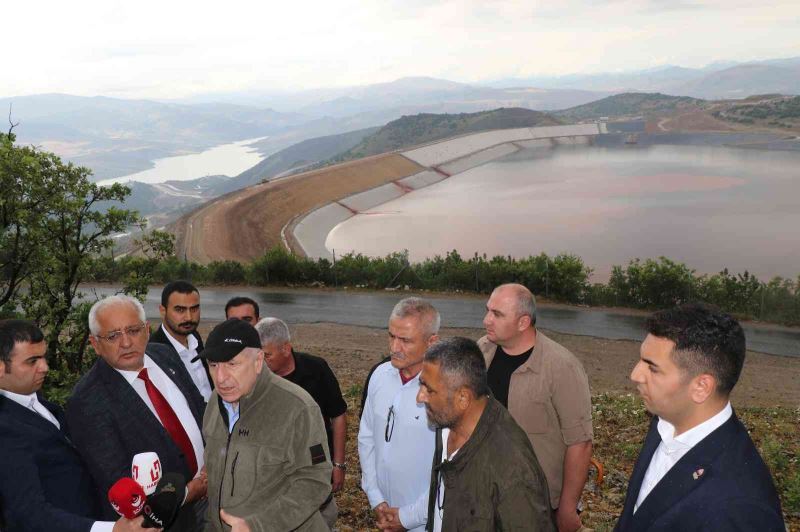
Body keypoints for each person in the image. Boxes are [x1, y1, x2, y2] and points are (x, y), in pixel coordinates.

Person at [615, 303, 784, 532]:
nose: (635, 375)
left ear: (701, 387)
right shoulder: (666, 422)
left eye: (652, 368)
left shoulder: (739, 506)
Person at [65, 295, 208, 530]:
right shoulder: (86, 402)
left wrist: (212, 464)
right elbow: (119, 485)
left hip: (212, 495)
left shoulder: (164, 355)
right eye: (113, 336)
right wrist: (188, 492)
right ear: (95, 344)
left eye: (133, 330)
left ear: (147, 330)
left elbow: (201, 412)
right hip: (164, 523)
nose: (126, 343)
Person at [0, 319, 147, 532]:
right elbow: (30, 514)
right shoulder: (5, 429)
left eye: (44, 357)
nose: (45, 367)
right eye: (32, 361)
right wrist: (110, 529)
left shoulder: (37, 402)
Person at [479, 283, 593, 531]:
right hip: (487, 495)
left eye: (497, 314)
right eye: (488, 310)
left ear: (523, 322)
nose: (486, 319)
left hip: (538, 504)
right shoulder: (482, 352)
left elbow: (580, 443)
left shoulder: (562, 367)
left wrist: (567, 508)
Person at [199, 318, 332, 531]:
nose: (221, 378)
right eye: (213, 365)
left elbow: (315, 482)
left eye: (232, 364)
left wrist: (258, 526)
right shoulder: (215, 402)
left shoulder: (297, 408)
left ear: (258, 361)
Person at [418, 337, 555, 532]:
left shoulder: (512, 468)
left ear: (463, 398)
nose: (420, 397)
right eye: (421, 385)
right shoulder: (447, 421)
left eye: (429, 390)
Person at [254, 317, 348, 530]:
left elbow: (339, 415)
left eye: (267, 355)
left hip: (316, 463)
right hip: (274, 474)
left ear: (286, 349)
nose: (260, 362)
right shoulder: (256, 377)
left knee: (322, 516)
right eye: (257, 355)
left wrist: (339, 464)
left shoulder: (316, 369)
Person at [358, 297, 440, 532]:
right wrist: (375, 498)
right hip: (384, 513)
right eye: (391, 336)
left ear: (432, 342)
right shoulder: (380, 375)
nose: (394, 347)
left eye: (405, 340)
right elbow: (367, 438)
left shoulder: (445, 390)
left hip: (427, 522)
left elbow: (450, 469)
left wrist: (407, 518)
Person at [150, 280, 212, 401]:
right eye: (180, 310)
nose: (189, 317)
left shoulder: (194, 336)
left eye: (194, 309)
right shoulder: (154, 353)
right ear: (163, 311)